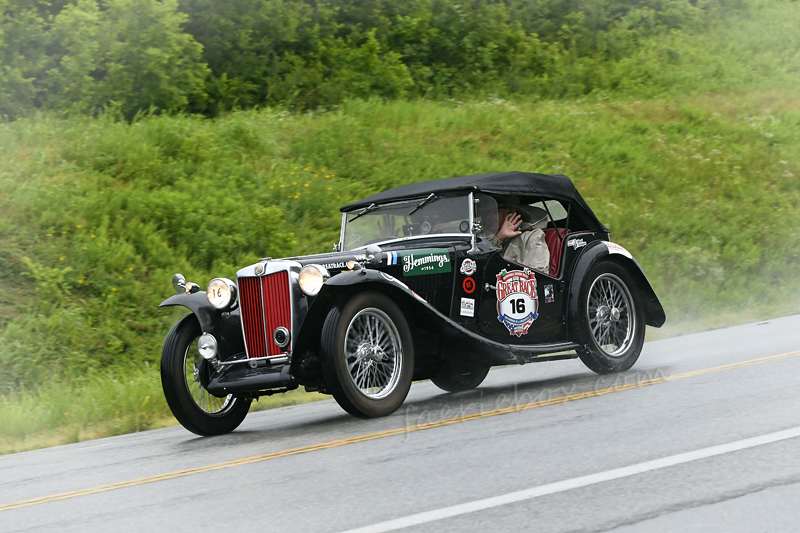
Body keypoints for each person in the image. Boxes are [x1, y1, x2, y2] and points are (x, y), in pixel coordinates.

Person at [486, 195, 550, 274]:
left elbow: (536, 277)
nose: (489, 216)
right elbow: (482, 263)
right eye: (487, 212)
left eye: (495, 210)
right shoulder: (488, 236)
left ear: (512, 212)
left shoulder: (532, 237)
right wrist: (498, 238)